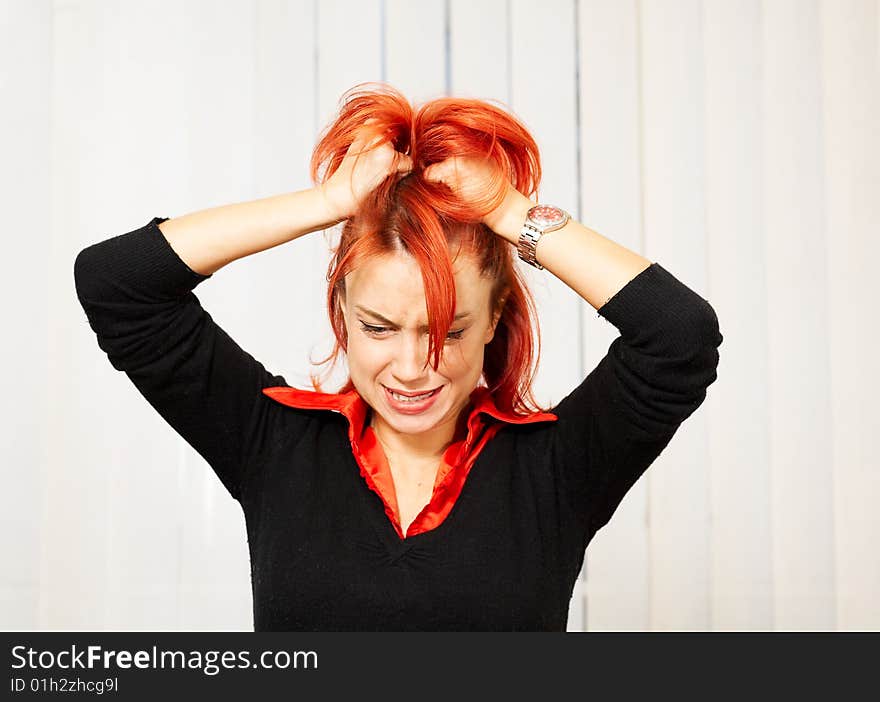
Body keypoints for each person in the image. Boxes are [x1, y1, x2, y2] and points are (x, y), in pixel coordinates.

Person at [74, 83, 723, 631]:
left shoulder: (556, 468)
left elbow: (678, 337)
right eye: (380, 328)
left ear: (495, 317)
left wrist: (507, 210)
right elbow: (118, 286)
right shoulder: (272, 442)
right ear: (344, 317)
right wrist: (326, 206)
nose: (413, 368)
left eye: (447, 332)